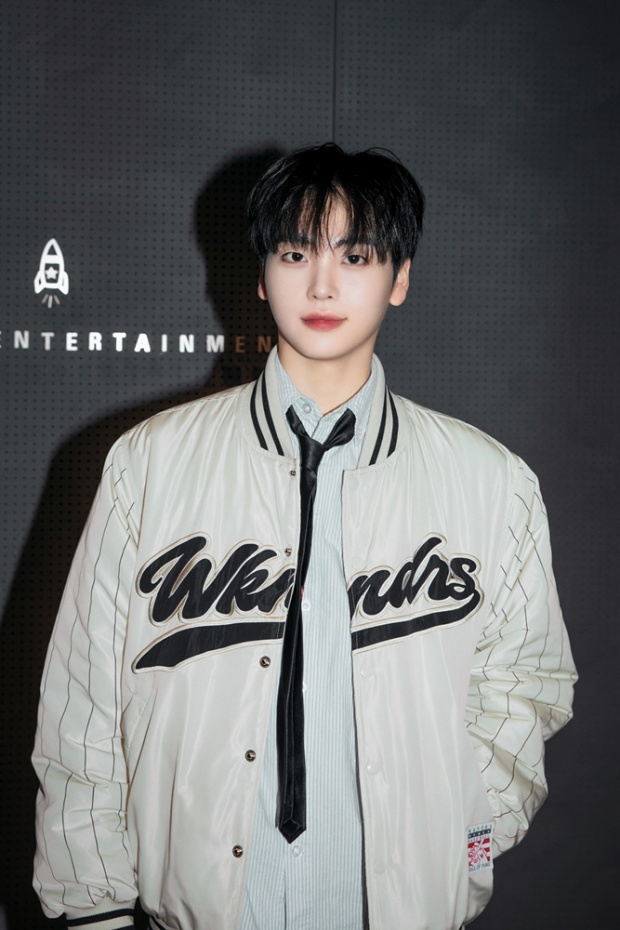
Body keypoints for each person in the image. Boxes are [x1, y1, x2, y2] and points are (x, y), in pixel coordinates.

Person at [32, 144, 576, 930]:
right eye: (295, 253)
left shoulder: (490, 482)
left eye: (355, 256)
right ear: (261, 274)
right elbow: (83, 706)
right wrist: (95, 908)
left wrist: (455, 834)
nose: (322, 284)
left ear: (400, 277)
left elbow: (528, 684)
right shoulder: (149, 465)